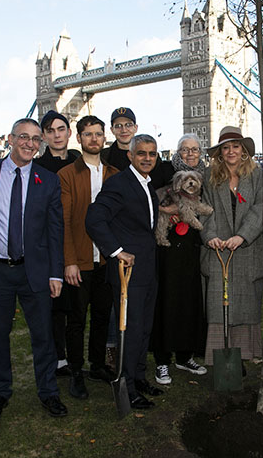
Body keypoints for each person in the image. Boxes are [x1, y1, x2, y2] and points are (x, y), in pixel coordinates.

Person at [0, 118, 68, 421]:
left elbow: (55, 230)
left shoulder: (48, 180)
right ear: (10, 139)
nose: (30, 144)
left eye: (35, 139)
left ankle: (49, 392)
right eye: (24, 137)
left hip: (36, 272)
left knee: (43, 337)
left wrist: (56, 273)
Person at [85, 134, 164, 410]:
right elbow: (94, 218)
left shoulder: (146, 184)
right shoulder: (119, 183)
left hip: (147, 270)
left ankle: (138, 377)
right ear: (130, 155)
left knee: (144, 329)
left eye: (152, 154)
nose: (147, 158)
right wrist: (117, 251)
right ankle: (127, 387)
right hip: (127, 273)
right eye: (141, 153)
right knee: (129, 330)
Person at [57, 115, 118, 400]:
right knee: (76, 319)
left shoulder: (115, 175)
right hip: (79, 261)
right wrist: (69, 260)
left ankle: (97, 366)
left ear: (104, 137)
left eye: (98, 133)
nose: (94, 138)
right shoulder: (67, 175)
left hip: (106, 261)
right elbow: (65, 221)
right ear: (78, 139)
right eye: (88, 134)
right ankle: (76, 371)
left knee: (102, 316)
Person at [200, 127, 263, 374]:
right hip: (219, 251)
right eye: (225, 147)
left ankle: (243, 356)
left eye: (235, 146)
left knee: (245, 304)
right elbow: (204, 209)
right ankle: (221, 358)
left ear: (244, 150)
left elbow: (260, 208)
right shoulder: (210, 176)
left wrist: (243, 235)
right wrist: (211, 236)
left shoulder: (257, 175)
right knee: (219, 303)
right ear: (219, 153)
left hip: (247, 249)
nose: (231, 152)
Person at [150, 134, 208, 386]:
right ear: (177, 151)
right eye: (185, 150)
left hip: (193, 249)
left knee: (189, 302)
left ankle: (185, 356)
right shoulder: (164, 169)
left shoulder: (206, 174)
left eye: (195, 149)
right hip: (167, 248)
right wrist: (164, 209)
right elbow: (149, 196)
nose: (190, 154)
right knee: (166, 301)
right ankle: (162, 360)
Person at [34, 110, 78, 378]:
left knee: (74, 306)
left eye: (61, 129)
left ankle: (74, 358)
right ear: (44, 136)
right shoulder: (37, 167)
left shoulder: (79, 161)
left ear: (69, 133)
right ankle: (58, 357)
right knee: (54, 306)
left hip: (78, 241)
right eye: (50, 131)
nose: (57, 134)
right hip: (49, 244)